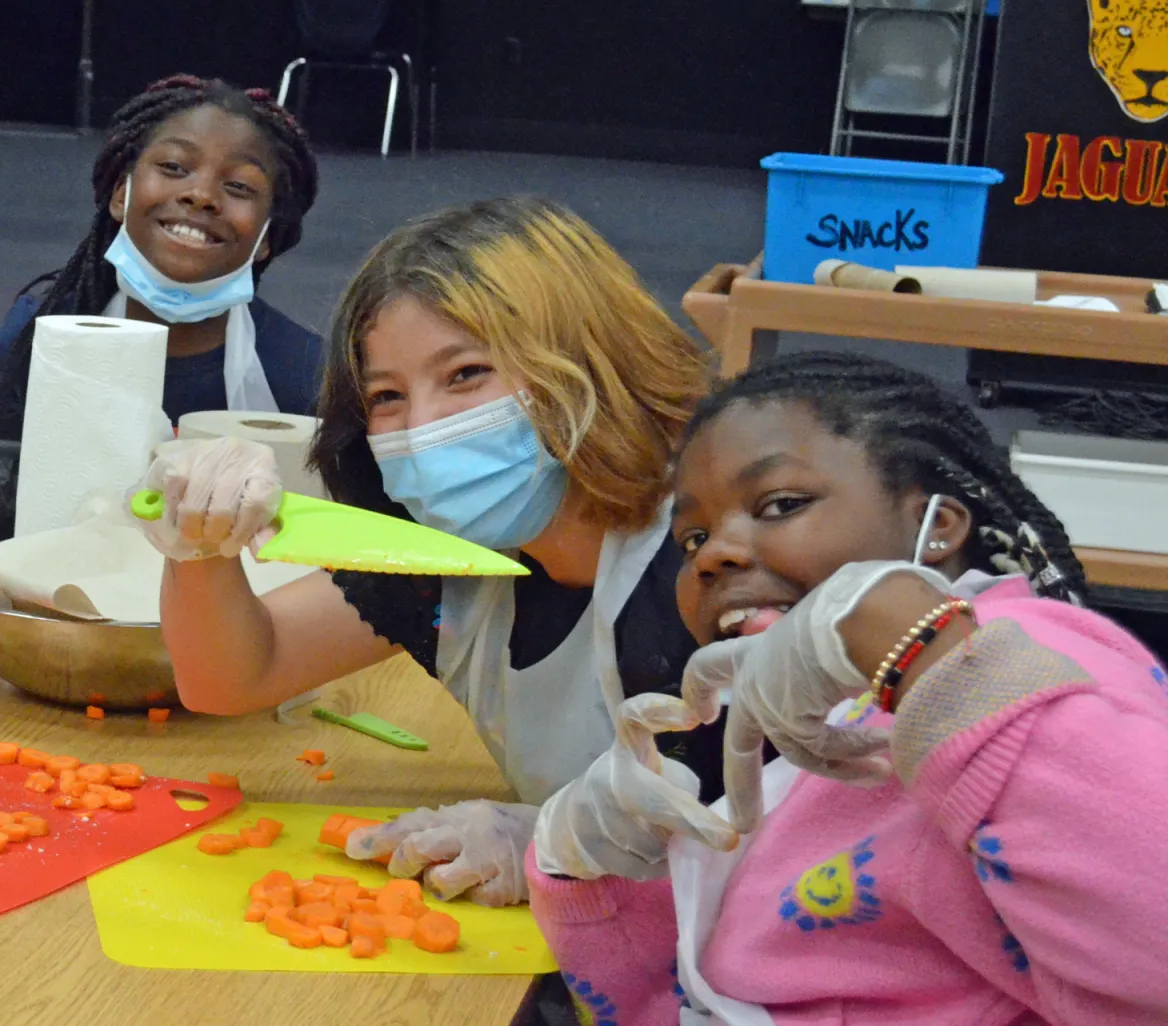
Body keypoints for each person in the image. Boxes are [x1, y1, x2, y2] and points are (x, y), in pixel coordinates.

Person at [528, 352, 1168, 1024]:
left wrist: (914, 640)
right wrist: (585, 868)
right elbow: (709, 993)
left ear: (939, 527)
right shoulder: (820, 728)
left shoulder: (1031, 661)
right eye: (692, 539)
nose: (714, 554)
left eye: (781, 504)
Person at [139, 196, 710, 907]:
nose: (426, 426)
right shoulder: (455, 561)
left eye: (466, 374)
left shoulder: (716, 568)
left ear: (587, 358)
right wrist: (200, 544)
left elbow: (791, 839)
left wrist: (551, 839)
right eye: (386, 397)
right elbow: (233, 677)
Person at [0, 74, 324, 513]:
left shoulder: (302, 369)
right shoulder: (52, 328)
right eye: (174, 167)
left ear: (268, 238)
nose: (200, 195)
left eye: (238, 187)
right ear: (121, 194)